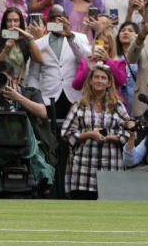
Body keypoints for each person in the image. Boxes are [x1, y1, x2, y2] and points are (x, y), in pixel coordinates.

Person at [60, 61, 129, 199]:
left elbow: (128, 130)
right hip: (83, 169)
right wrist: (89, 134)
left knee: (111, 214)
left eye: (103, 78)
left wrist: (111, 137)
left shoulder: (117, 105)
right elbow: (66, 132)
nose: (99, 80)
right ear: (90, 81)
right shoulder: (80, 105)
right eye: (96, 77)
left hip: (110, 166)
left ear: (109, 83)